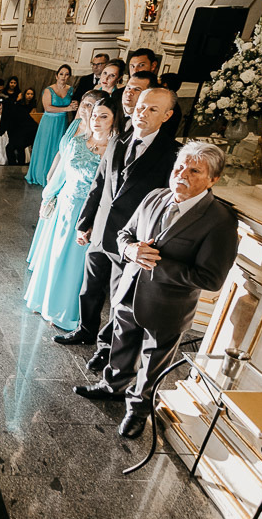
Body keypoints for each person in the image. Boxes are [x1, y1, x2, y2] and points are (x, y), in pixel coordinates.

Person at [76, 142, 238, 439]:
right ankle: (112, 386)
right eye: (179, 167)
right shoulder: (154, 197)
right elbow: (124, 234)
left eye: (194, 171)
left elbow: (211, 279)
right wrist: (129, 250)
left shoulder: (220, 220)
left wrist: (157, 264)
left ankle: (138, 409)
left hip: (168, 305)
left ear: (213, 179)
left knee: (153, 361)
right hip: (129, 289)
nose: (182, 175)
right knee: (121, 342)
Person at [61, 88, 182, 372]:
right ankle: (85, 330)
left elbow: (167, 202)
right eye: (141, 106)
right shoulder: (118, 139)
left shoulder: (172, 152)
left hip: (133, 239)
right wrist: (85, 222)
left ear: (167, 116)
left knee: (119, 298)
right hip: (101, 228)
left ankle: (106, 348)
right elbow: (99, 183)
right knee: (89, 288)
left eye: (153, 109)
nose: (143, 113)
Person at [25, 91, 116, 330]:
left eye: (104, 116)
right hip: (65, 207)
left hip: (89, 213)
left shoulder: (115, 151)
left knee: (75, 265)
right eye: (94, 115)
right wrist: (48, 197)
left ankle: (63, 311)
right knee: (53, 256)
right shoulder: (77, 142)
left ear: (114, 120)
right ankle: (43, 301)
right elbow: (61, 174)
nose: (96, 120)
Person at [26, 65, 77, 185]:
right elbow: (47, 108)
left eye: (67, 74)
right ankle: (40, 174)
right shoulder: (48, 90)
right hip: (48, 122)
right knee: (45, 146)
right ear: (56, 75)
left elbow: (73, 104)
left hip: (62, 122)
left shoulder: (71, 90)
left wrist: (74, 105)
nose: (64, 77)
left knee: (57, 147)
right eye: (61, 74)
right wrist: (67, 109)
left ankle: (53, 176)